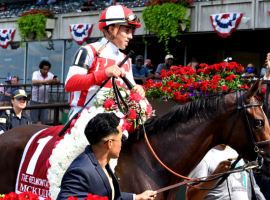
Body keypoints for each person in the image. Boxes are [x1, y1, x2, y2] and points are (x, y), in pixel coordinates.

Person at [65, 5, 145, 121]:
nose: (130, 36)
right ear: (112, 29)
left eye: (131, 31)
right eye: (127, 31)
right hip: (84, 116)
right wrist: (104, 74)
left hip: (114, 118)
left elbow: (128, 89)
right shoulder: (88, 50)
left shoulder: (126, 59)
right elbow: (69, 84)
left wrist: (137, 89)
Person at [57, 112, 157, 200]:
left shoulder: (102, 162)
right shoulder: (79, 172)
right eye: (121, 139)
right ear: (109, 143)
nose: (122, 144)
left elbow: (111, 196)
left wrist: (137, 197)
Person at [186, 145, 265, 200]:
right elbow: (191, 198)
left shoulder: (237, 153)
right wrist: (216, 174)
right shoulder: (203, 156)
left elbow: (243, 191)